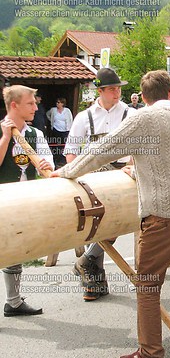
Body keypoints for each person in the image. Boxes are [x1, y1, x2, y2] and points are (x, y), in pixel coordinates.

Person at [53, 70, 170, 358]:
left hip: (166, 213)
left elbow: (101, 151)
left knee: (148, 284)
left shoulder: (143, 118)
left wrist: (65, 172)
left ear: (146, 97)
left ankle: (151, 351)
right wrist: (140, 169)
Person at [64, 67, 138, 301]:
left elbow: (141, 145)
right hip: (94, 175)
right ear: (100, 91)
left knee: (115, 220)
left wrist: (133, 164)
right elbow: (71, 152)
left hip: (123, 173)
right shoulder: (84, 117)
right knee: (97, 222)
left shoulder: (131, 113)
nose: (117, 93)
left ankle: (86, 262)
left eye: (119, 88)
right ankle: (94, 283)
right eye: (113, 89)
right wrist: (78, 177)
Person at [1, 85, 54, 317]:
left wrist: (45, 168)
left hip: (24, 201)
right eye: (30, 103)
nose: (36, 107)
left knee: (15, 250)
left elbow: (47, 167)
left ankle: (13, 302)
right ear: (14, 105)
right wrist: (5, 137)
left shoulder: (35, 135)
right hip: (3, 199)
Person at [46, 97, 73, 168]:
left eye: (59, 102)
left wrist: (70, 129)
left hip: (65, 131)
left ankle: (63, 160)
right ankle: (56, 160)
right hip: (56, 130)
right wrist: (52, 122)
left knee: (63, 145)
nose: (57, 104)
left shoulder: (67, 111)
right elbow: (47, 114)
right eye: (57, 102)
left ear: (62, 104)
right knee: (56, 145)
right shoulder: (53, 110)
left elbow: (70, 119)